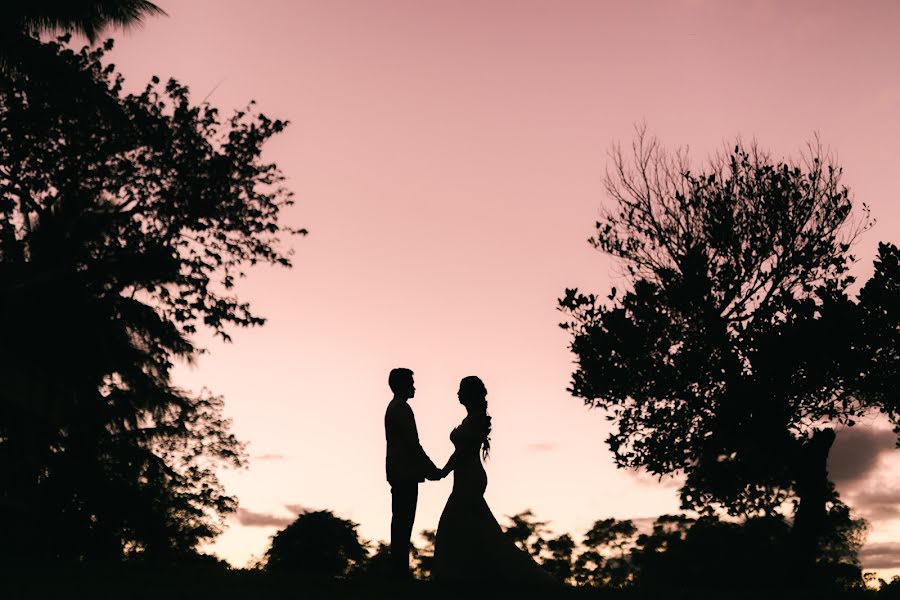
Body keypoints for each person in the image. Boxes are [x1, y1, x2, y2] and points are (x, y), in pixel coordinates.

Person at [433, 376, 556, 586]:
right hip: (464, 478)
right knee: (472, 526)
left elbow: (463, 451)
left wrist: (444, 470)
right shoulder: (471, 418)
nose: (458, 393)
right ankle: (468, 575)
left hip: (470, 478)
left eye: (461, 390)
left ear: (470, 394)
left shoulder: (477, 418)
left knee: (452, 523)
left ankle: (459, 575)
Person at [384, 367, 442, 579]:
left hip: (400, 472)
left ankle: (399, 571)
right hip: (404, 473)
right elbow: (412, 444)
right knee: (403, 522)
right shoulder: (401, 409)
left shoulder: (395, 407)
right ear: (401, 385)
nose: (414, 387)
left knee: (401, 521)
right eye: (410, 382)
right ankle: (399, 573)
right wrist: (431, 469)